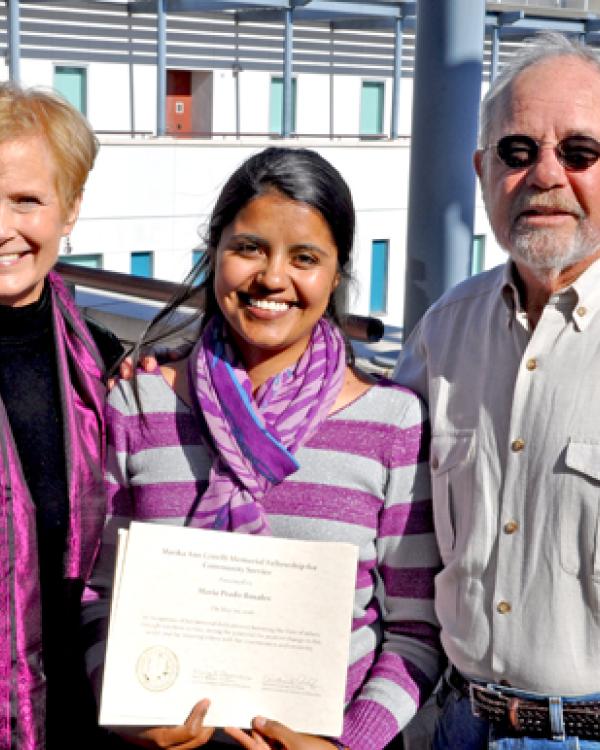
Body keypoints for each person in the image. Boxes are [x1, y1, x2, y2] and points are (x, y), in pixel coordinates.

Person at [84, 147, 442, 750]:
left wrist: (345, 745)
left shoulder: (392, 422)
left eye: (305, 257)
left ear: (336, 273)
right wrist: (124, 708)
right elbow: (99, 592)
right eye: (248, 247)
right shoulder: (138, 403)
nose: (272, 278)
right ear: (213, 254)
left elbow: (416, 630)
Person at [394, 31, 600, 749]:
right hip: (454, 722)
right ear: (482, 171)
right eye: (517, 152)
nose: (545, 175)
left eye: (580, 153)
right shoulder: (441, 332)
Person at [0, 84, 123, 749]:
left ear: (70, 210)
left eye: (26, 201)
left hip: (83, 714)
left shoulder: (105, 368)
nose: (2, 228)